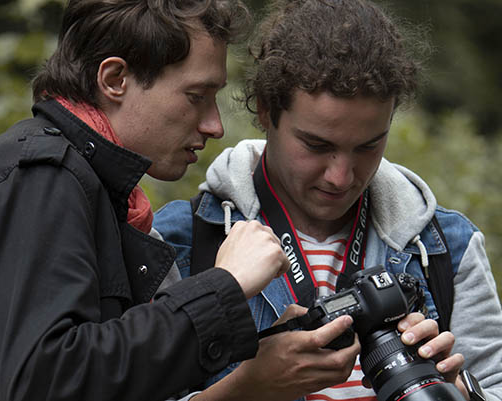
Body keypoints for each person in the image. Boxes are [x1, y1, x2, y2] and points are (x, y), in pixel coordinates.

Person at [0, 1, 294, 401]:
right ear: (115, 78)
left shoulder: (77, 184)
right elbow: (46, 383)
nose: (215, 125)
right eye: (196, 96)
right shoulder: (41, 177)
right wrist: (222, 288)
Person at [153, 0, 502, 400]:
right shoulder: (180, 242)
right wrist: (247, 389)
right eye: (317, 145)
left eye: (368, 146)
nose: (341, 176)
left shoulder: (446, 248)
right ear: (266, 111)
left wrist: (458, 389)